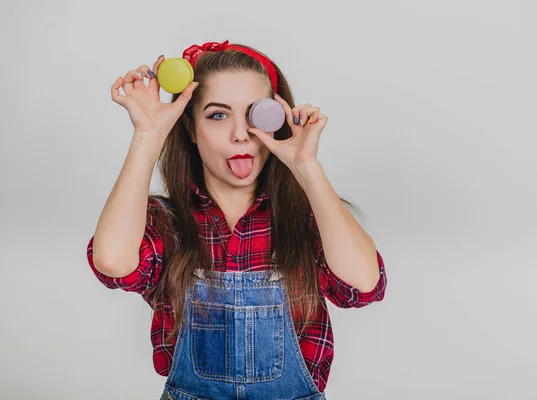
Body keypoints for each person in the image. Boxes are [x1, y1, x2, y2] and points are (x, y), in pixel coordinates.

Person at [86, 39, 387, 400]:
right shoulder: (165, 222)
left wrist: (307, 166)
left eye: (256, 115)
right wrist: (148, 135)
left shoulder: (309, 218)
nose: (240, 134)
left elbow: (363, 285)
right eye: (218, 114)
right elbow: (113, 263)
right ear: (191, 129)